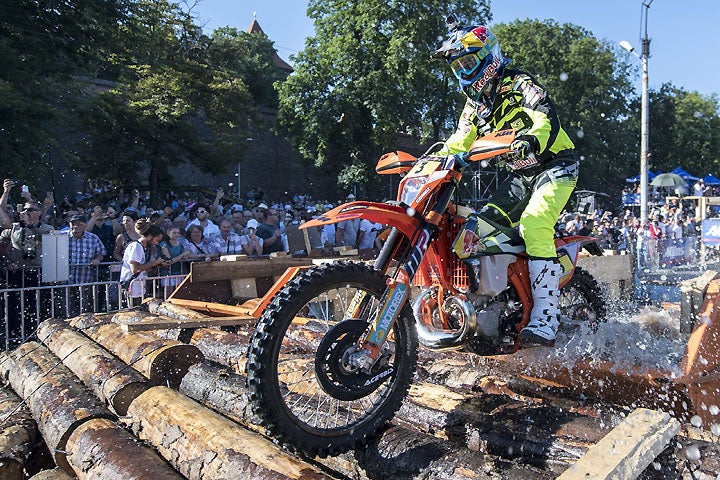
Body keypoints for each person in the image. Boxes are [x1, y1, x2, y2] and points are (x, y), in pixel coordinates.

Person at [436, 19, 578, 347]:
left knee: (534, 225)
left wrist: (531, 139)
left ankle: (546, 314)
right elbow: (459, 141)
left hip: (554, 166)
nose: (463, 72)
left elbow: (546, 118)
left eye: (468, 63)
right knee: (473, 233)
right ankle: (498, 305)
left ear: (489, 58)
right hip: (518, 178)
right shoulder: (474, 106)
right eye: (458, 66)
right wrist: (433, 160)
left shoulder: (519, 84)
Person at [119, 218, 168, 307]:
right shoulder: (136, 246)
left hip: (139, 289)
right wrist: (154, 263)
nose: (156, 243)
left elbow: (144, 268)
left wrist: (158, 265)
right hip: (132, 290)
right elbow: (135, 269)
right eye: (156, 240)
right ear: (149, 236)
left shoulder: (143, 248)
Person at [67, 215, 106, 314]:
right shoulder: (63, 237)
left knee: (84, 310)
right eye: (73, 224)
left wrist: (97, 260)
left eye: (78, 224)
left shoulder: (93, 238)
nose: (75, 226)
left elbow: (102, 252)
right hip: (66, 281)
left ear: (84, 225)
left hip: (86, 279)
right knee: (68, 310)